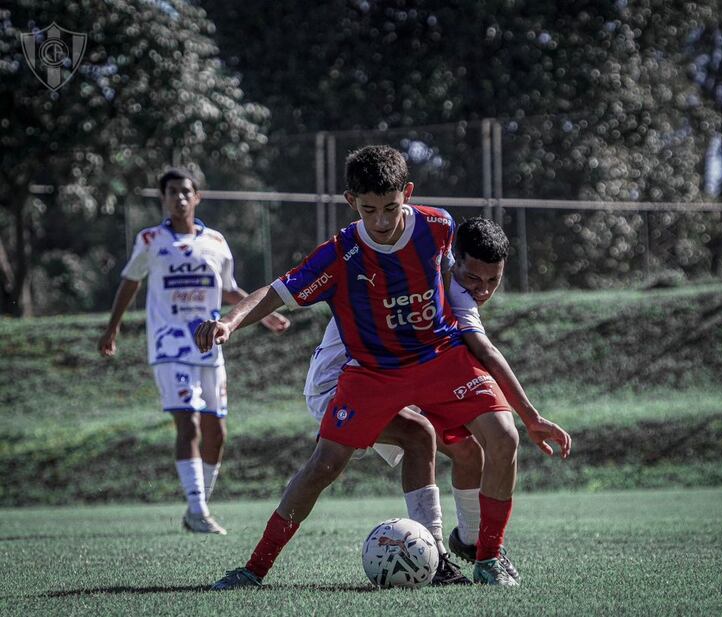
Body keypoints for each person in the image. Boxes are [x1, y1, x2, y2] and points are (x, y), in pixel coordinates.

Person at [196, 145, 561, 588]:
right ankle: (253, 569)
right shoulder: (338, 255)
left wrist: (529, 414)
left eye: (391, 207)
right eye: (370, 210)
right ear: (352, 202)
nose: (383, 221)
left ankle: (487, 558)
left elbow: (455, 286)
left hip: (439, 356)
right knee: (325, 464)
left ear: (407, 193)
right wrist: (230, 321)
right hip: (373, 372)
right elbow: (273, 293)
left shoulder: (438, 225)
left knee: (502, 437)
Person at [304, 217, 571, 583]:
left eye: (493, 281)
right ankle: (439, 555)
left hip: (394, 378)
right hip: (340, 384)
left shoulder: (451, 283)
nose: (483, 289)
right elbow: (485, 351)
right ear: (451, 258)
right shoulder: (425, 275)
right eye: (475, 278)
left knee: (468, 451)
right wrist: (530, 415)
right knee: (417, 437)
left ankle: (471, 542)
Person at [98, 167, 290, 535]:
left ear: (197, 197)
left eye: (186, 192)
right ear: (163, 198)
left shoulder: (215, 242)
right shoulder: (151, 239)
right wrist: (113, 327)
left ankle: (197, 505)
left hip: (209, 346)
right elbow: (130, 282)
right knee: (189, 421)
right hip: (169, 345)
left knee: (217, 430)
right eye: (172, 192)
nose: (180, 198)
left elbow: (228, 290)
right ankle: (198, 508)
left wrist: (263, 317)